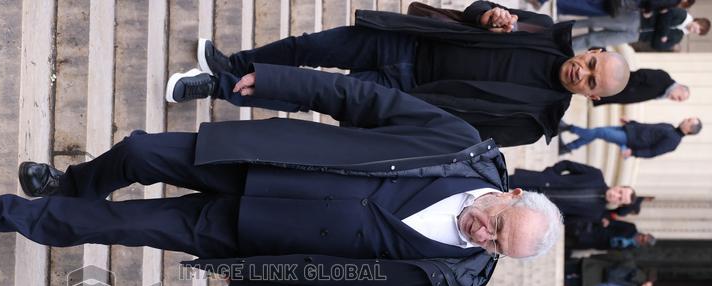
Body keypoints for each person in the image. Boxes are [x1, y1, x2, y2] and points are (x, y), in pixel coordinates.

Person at [0, 67, 562, 286]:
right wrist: (283, 83)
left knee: (120, 225)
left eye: (495, 245)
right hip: (265, 163)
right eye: (496, 223)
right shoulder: (459, 146)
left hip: (252, 234)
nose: (484, 234)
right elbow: (364, 100)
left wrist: (262, 282)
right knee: (141, 151)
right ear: (510, 195)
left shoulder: (451, 276)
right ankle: (73, 183)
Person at [164, 1, 631, 146]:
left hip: (404, 92)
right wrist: (489, 13)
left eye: (591, 82)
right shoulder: (545, 29)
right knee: (309, 46)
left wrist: (399, 121)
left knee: (310, 92)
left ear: (593, 97)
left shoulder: (536, 121)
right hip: (408, 41)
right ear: (594, 50)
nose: (582, 72)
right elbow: (476, 12)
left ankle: (216, 86)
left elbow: (464, 134)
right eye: (591, 63)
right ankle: (234, 64)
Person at [509, 160, 635, 226]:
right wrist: (549, 174)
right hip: (538, 182)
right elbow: (567, 165)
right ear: (619, 186)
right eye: (620, 192)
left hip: (536, 207)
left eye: (620, 199)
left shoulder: (595, 214)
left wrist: (548, 215)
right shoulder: (596, 175)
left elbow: (566, 220)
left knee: (502, 205)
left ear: (619, 204)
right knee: (501, 183)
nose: (616, 195)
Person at [561, 117, 702, 159]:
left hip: (629, 140)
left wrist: (633, 153)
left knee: (599, 132)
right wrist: (632, 122)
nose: (686, 119)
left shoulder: (674, 141)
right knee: (596, 132)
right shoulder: (670, 126)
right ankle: (568, 147)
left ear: (690, 129)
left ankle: (568, 128)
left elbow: (653, 152)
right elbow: (647, 127)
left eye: (689, 121)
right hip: (629, 129)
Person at [593, 69, 689, 106]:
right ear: (680, 88)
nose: (676, 100)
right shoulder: (664, 78)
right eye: (679, 97)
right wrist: (629, 89)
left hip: (612, 93)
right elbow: (641, 74)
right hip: (616, 84)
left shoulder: (663, 93)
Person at [638, 8, 710, 50]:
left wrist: (661, 32)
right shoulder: (682, 14)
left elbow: (658, 46)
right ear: (697, 21)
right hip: (642, 20)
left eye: (694, 32)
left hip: (639, 36)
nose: (692, 30)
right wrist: (663, 35)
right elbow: (665, 15)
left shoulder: (678, 38)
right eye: (695, 28)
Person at [565, 218, 654, 251]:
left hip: (598, 243)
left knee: (571, 243)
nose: (641, 237)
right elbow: (618, 223)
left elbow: (614, 249)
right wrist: (609, 222)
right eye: (643, 236)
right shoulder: (632, 228)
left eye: (643, 240)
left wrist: (619, 245)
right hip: (598, 232)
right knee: (572, 232)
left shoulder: (631, 247)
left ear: (643, 244)